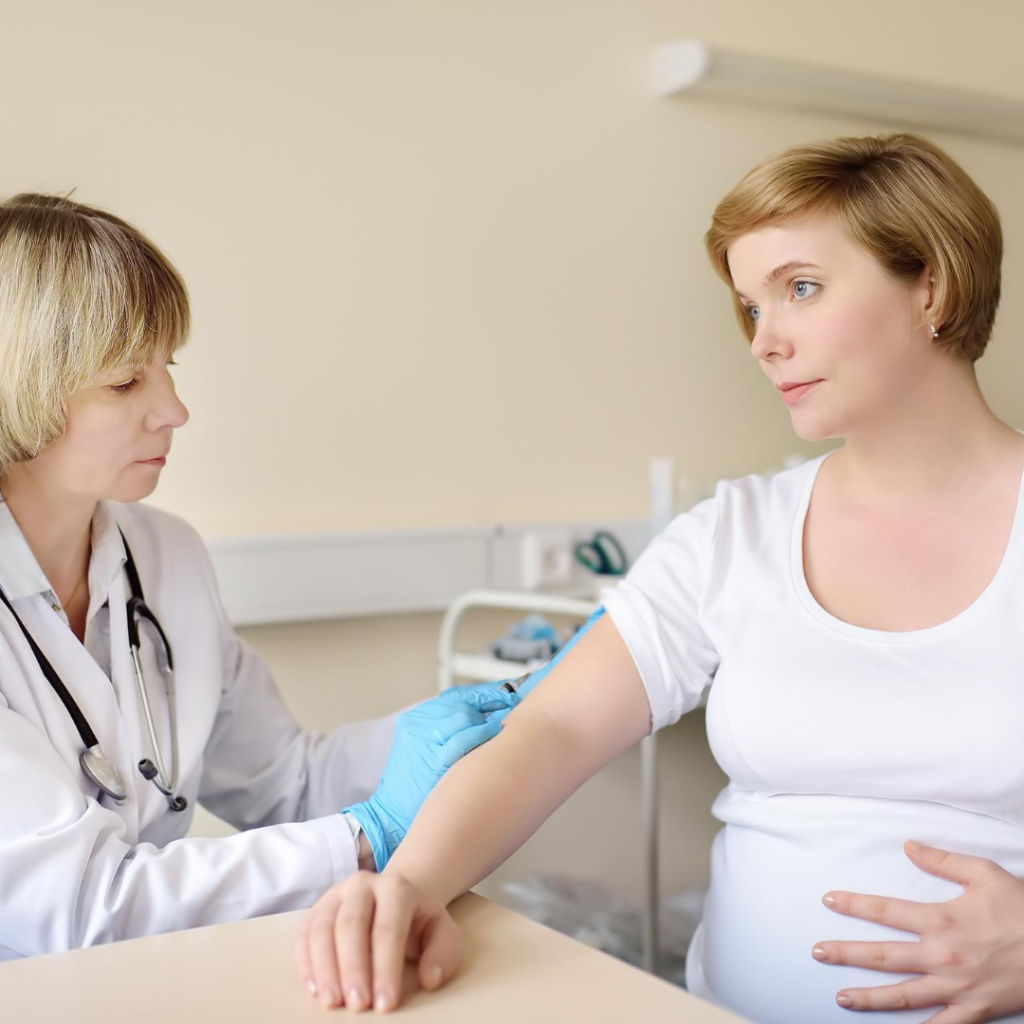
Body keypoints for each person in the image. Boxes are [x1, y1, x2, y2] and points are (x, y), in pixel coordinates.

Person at [294, 133, 1024, 1023]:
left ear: (933, 287)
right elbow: (554, 726)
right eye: (751, 307)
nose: (765, 342)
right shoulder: (734, 535)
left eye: (800, 288)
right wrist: (408, 885)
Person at [0, 192, 521, 961]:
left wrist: (430, 736)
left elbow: (285, 782)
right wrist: (360, 842)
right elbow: (82, 909)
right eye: (124, 383)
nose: (174, 409)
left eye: (167, 369)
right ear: (20, 382)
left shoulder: (167, 555)